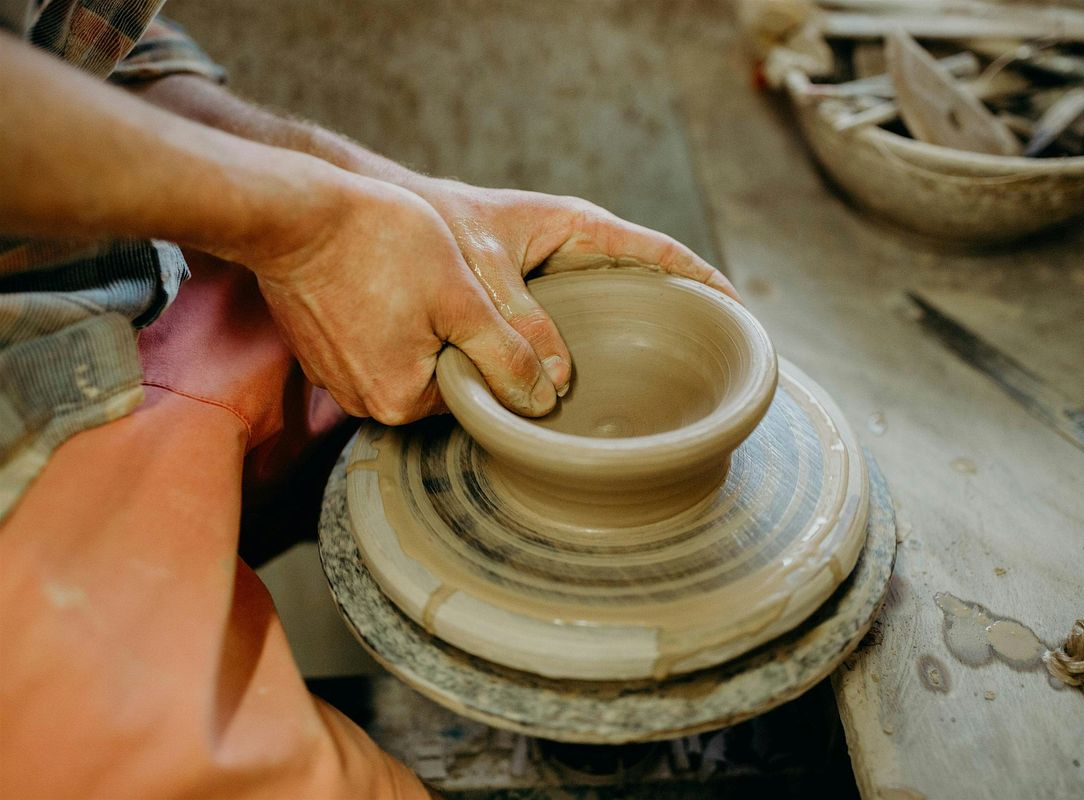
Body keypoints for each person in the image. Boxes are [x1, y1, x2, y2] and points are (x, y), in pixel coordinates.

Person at [0, 2, 737, 797]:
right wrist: (303, 227)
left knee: (433, 342)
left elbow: (74, 49)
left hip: (92, 265)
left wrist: (378, 196)